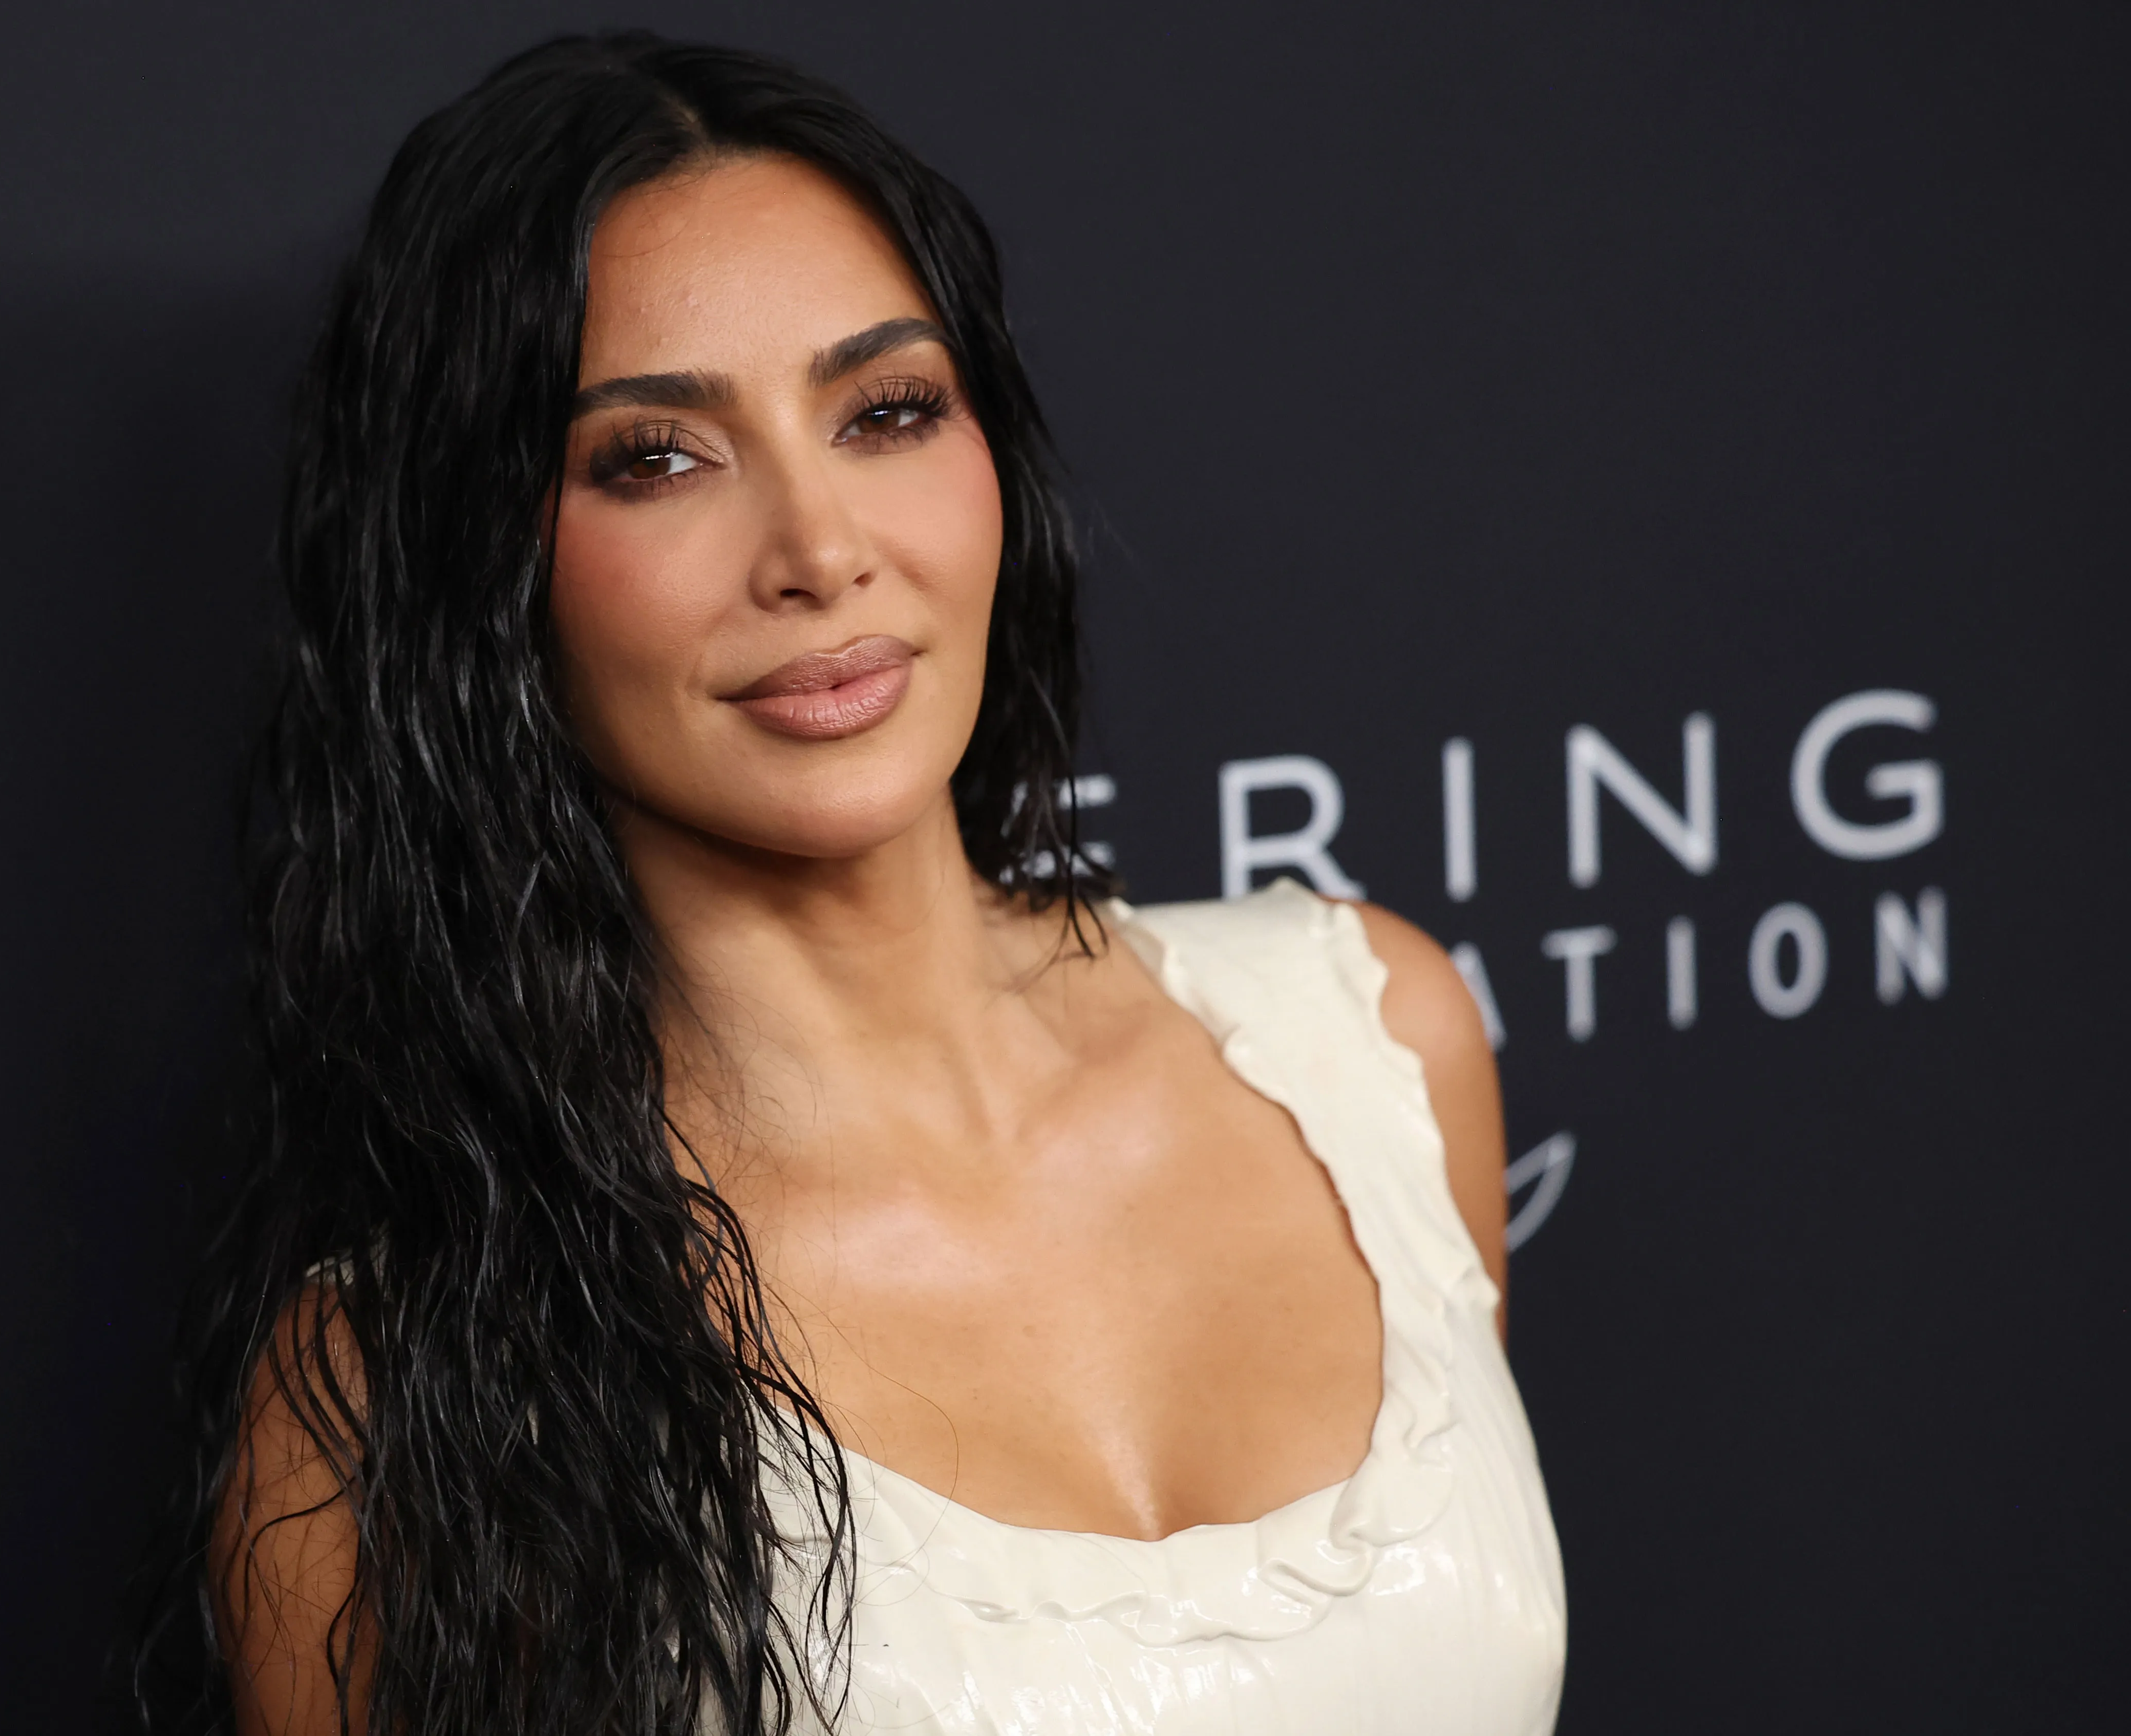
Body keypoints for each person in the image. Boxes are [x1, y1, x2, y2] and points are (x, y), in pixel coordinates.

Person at [159, 31, 1565, 1736]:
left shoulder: (1378, 1033)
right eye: (658, 457)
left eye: (886, 410)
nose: (821, 550)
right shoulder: (400, 1397)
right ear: (487, 575)